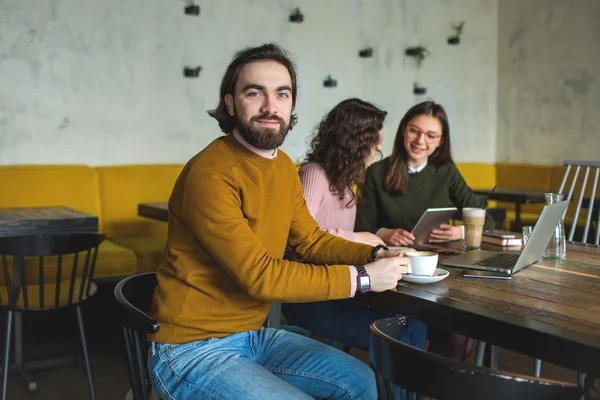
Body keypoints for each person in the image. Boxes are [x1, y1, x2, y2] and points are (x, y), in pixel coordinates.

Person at [147, 43, 410, 400]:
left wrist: (376, 255)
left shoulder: (283, 166)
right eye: (255, 93)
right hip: (191, 349)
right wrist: (362, 279)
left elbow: (311, 241)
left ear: (291, 103)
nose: (271, 106)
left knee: (362, 382)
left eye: (282, 94)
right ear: (230, 103)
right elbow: (260, 276)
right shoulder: (210, 172)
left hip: (253, 337)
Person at [282, 98, 427, 353]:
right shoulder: (314, 174)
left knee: (416, 324)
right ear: (356, 142)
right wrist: (355, 238)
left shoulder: (347, 184)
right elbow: (295, 242)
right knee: (399, 337)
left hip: (343, 289)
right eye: (376, 141)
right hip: (310, 297)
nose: (380, 148)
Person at [355, 100, 494, 360]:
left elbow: (485, 220)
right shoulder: (377, 172)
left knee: (460, 331)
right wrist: (384, 232)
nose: (421, 141)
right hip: (397, 273)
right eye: (414, 131)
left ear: (441, 141)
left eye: (431, 135)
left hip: (442, 271)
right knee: (435, 326)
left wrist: (460, 232)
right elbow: (360, 228)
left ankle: (432, 386)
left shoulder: (446, 172)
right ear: (403, 131)